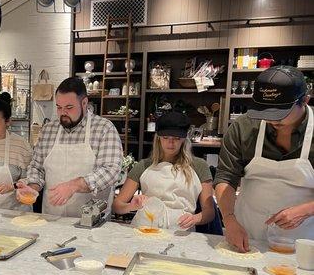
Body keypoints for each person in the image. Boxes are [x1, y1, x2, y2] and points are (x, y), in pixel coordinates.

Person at [215, 66, 314, 252]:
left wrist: (305, 210)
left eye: (279, 113)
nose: (270, 119)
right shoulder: (243, 127)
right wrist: (228, 218)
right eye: (264, 110)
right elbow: (226, 177)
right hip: (247, 232)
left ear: (305, 100)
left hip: (305, 240)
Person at [19, 77, 123, 217]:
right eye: (59, 107)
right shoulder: (49, 129)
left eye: (69, 108)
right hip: (52, 217)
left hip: (91, 221)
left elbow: (111, 171)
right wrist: (32, 187)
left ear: (84, 103)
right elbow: (37, 167)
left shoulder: (104, 128)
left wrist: (74, 185)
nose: (63, 113)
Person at [112, 111, 215, 229]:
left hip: (181, 230)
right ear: (158, 138)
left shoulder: (199, 166)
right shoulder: (143, 165)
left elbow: (209, 212)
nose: (170, 143)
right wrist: (131, 206)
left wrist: (194, 218)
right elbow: (117, 205)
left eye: (176, 138)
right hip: (145, 228)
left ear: (184, 139)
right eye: (166, 137)